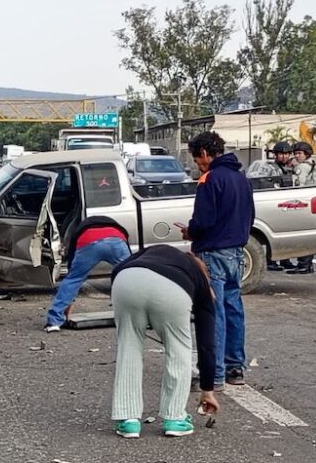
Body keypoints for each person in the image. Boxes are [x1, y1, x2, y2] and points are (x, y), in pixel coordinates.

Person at [111, 245, 220, 438]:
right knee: (179, 349)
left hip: (126, 280)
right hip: (172, 290)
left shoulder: (155, 251)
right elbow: (207, 343)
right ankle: (175, 419)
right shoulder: (201, 282)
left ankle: (128, 420)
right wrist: (207, 389)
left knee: (129, 346)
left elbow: (117, 269)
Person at [181, 131, 255, 388]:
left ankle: (215, 374)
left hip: (213, 252)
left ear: (204, 153)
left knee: (214, 311)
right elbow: (250, 216)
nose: (197, 165)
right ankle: (235, 368)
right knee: (234, 308)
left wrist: (190, 231)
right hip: (237, 251)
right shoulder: (241, 179)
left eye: (196, 159)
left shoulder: (209, 179)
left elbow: (203, 220)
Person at [44, 216, 131, 332]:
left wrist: (70, 303)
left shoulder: (79, 230)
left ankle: (54, 321)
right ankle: (142, 316)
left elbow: (72, 262)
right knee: (130, 275)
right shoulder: (116, 227)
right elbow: (129, 251)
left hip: (88, 240)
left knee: (73, 279)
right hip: (116, 240)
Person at [287, 142, 316, 274]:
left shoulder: (302, 167)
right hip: (314, 201)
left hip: (304, 203)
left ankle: (303, 265)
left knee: (301, 234)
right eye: (296, 153)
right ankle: (307, 264)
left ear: (307, 154)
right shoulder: (314, 165)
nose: (296, 156)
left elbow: (298, 186)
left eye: (299, 153)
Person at [266, 141, 296, 271]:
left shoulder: (291, 169)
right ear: (275, 155)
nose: (284, 157)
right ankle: (270, 261)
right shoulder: (269, 168)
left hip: (286, 205)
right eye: (281, 154)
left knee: (286, 234)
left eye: (286, 154)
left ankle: (285, 259)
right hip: (273, 205)